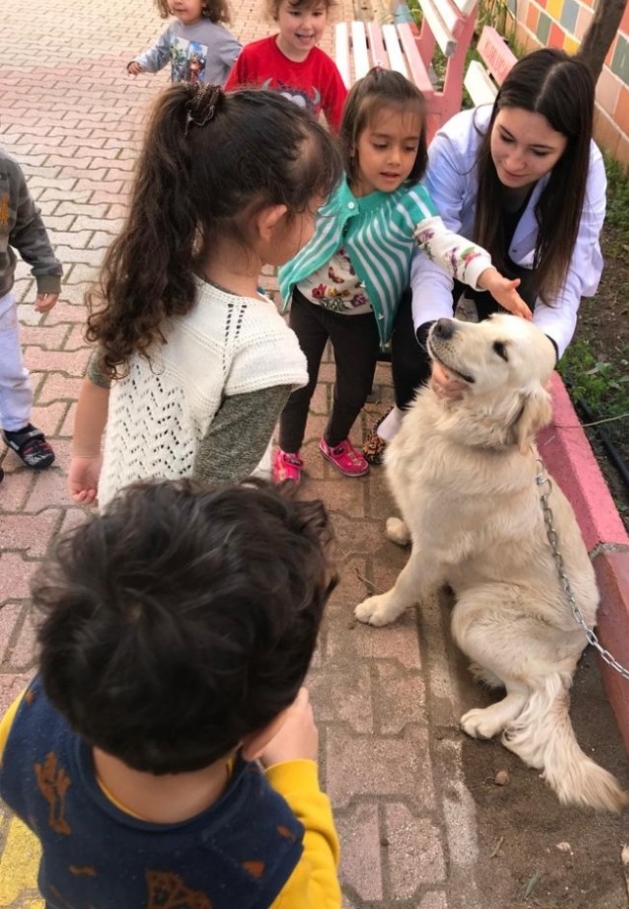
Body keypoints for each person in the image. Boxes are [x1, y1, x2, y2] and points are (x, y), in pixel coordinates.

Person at [0, 477, 341, 908]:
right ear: (260, 735)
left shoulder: (29, 716)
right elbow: (320, 895)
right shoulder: (271, 868)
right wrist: (296, 775)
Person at [67, 83, 342, 509]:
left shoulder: (152, 279)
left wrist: (85, 454)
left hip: (118, 516)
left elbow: (99, 375)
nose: (316, 223)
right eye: (316, 210)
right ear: (273, 220)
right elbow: (214, 501)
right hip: (178, 558)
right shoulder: (265, 350)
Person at [273, 68, 531, 484]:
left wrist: (487, 276)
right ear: (353, 141)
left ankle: (335, 440)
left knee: (355, 390)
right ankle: (287, 451)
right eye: (381, 144)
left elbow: (443, 243)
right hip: (308, 301)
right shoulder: (327, 178)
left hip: (361, 318)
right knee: (296, 381)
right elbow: (287, 199)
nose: (396, 158)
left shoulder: (409, 201)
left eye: (409, 147)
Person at [363, 47, 607, 462]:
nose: (514, 162)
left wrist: (538, 355)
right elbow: (431, 256)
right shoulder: (457, 144)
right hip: (452, 255)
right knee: (410, 348)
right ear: (494, 114)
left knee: (507, 360)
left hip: (519, 273)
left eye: (539, 152)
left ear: (569, 149)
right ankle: (408, 420)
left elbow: (562, 288)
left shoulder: (587, 173)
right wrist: (432, 346)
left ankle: (465, 439)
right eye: (506, 137)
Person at [224, 0, 347, 131]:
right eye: (296, 13)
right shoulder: (252, 57)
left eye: (316, 13)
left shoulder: (326, 69)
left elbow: (344, 127)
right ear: (275, 10)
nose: (307, 25)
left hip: (304, 159)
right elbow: (227, 114)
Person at [0, 147, 62, 479]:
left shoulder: (5, 170)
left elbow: (27, 224)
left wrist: (46, 272)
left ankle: (16, 426)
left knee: (10, 372)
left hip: (0, 298)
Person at [127, 0, 241, 87]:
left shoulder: (218, 36)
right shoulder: (174, 30)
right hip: (182, 104)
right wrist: (141, 63)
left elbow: (245, 64)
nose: (178, 0)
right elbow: (159, 52)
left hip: (211, 107)